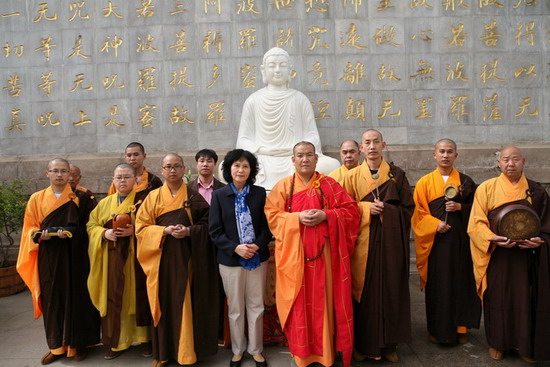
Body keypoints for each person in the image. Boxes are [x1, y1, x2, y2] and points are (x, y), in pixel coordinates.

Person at [265, 141, 360, 367]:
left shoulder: (329, 185)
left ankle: (325, 353)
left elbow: (350, 211)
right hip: (294, 258)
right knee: (299, 304)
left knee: (322, 304)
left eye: (309, 155)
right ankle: (301, 354)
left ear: (316, 158)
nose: (305, 159)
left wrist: (327, 216)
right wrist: (296, 218)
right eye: (300, 155)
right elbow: (271, 215)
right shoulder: (283, 186)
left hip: (324, 257)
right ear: (293, 160)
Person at [135, 153, 219, 367]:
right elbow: (141, 228)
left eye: (177, 166)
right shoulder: (152, 197)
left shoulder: (192, 197)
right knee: (163, 304)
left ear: (183, 169)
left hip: (187, 261)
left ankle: (187, 352)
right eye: (168, 166)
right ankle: (163, 353)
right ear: (162, 170)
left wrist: (189, 231)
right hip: (160, 262)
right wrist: (164, 231)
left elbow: (209, 225)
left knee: (186, 304)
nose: (172, 170)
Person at [468, 146, 550, 363]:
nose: (510, 164)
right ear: (499, 163)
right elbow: (476, 223)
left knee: (527, 299)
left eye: (515, 159)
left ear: (523, 161)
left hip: (526, 256)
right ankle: (498, 344)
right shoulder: (486, 188)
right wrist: (491, 238)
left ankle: (525, 345)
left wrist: (540, 239)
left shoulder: (536, 191)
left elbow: (546, 224)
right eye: (506, 159)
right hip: (498, 255)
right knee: (497, 299)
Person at [17, 158, 100, 365]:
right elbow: (29, 228)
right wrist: (38, 235)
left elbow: (89, 227)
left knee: (78, 298)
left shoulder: (81, 197)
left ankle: (78, 345)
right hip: (49, 257)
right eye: (55, 171)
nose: (60, 175)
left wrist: (70, 233)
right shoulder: (36, 199)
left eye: (64, 171)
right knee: (52, 299)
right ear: (48, 174)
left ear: (70, 174)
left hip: (75, 256)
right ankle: (56, 347)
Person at [342, 129, 414, 363]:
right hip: (363, 245)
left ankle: (390, 345)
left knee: (392, 290)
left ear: (383, 144)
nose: (372, 146)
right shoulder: (351, 177)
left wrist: (388, 211)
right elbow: (343, 211)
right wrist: (365, 209)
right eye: (367, 143)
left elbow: (407, 209)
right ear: (361, 148)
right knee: (364, 294)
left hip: (391, 245)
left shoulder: (397, 175)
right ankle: (364, 345)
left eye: (376, 142)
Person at [236, 47, 339, 189]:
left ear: (290, 70)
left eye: (282, 65)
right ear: (263, 70)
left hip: (294, 159)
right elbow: (243, 140)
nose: (277, 70)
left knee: (332, 165)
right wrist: (264, 150)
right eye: (272, 66)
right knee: (228, 167)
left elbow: (312, 136)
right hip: (264, 158)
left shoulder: (300, 99)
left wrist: (297, 151)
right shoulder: (253, 100)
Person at [412, 139, 481, 345]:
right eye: (441, 151)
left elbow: (478, 211)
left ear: (456, 155)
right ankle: (437, 330)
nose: (445, 155)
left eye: (450, 152)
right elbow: (418, 213)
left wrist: (461, 208)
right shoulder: (424, 182)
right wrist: (434, 224)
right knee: (439, 287)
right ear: (434, 155)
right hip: (437, 244)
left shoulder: (466, 181)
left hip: (460, 244)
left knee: (461, 284)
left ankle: (461, 328)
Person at [209, 149, 272, 367]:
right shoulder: (219, 196)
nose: (240, 170)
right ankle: (237, 350)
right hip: (230, 260)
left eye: (245, 166)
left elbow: (267, 227)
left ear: (251, 170)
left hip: (257, 257)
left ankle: (256, 350)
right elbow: (215, 231)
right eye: (236, 165)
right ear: (228, 169)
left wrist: (257, 245)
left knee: (256, 305)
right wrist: (236, 248)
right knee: (235, 307)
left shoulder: (259, 193)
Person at [87, 163, 150, 360]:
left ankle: (146, 340)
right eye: (118, 177)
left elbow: (152, 225)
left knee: (140, 297)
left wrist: (136, 231)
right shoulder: (104, 203)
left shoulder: (143, 201)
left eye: (126, 177)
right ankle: (117, 342)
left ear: (136, 180)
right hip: (112, 260)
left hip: (137, 259)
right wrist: (104, 233)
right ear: (113, 180)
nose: (122, 181)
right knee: (115, 299)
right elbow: (91, 225)